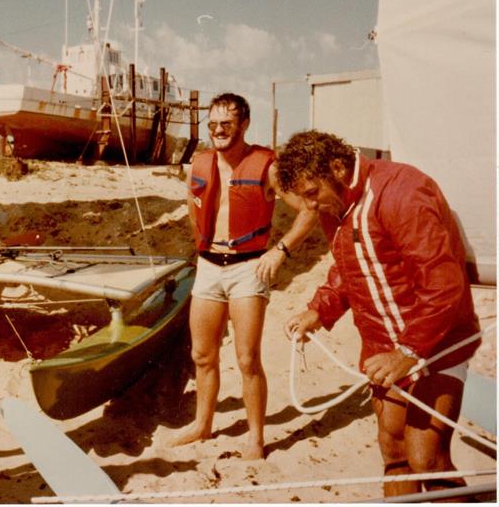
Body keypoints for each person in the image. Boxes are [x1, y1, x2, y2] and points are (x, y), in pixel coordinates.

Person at [277, 130, 481, 497]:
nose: (309, 207)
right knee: (395, 452)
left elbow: (443, 284)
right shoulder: (333, 204)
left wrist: (407, 353)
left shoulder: (401, 191)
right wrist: (318, 311)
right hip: (383, 346)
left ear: (337, 168)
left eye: (311, 194)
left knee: (428, 459)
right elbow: (348, 268)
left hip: (437, 341)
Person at [172, 93, 316, 459]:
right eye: (213, 124)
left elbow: (309, 210)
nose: (219, 131)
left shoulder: (266, 166)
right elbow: (192, 209)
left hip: (248, 270)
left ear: (244, 125)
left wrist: (279, 252)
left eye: (227, 124)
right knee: (202, 355)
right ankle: (203, 425)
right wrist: (205, 247)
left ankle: (255, 437)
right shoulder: (199, 164)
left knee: (248, 358)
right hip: (208, 267)